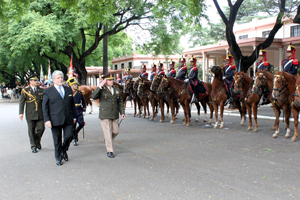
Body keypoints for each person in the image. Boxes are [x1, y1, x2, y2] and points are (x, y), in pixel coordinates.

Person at [42, 70, 77, 166]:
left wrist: (74, 116)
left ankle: (63, 150)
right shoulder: (47, 91)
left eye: (61, 77)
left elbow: (72, 104)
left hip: (68, 118)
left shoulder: (68, 89)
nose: (60, 79)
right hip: (55, 119)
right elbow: (44, 107)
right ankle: (58, 157)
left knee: (69, 136)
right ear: (53, 80)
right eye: (58, 78)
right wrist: (47, 120)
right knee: (57, 140)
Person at [91, 73, 125, 158]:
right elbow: (93, 96)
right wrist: (99, 86)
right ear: (105, 81)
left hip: (114, 114)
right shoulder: (101, 89)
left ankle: (107, 141)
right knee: (108, 133)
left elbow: (120, 102)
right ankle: (110, 150)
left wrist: (122, 112)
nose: (111, 81)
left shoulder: (116, 89)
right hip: (105, 114)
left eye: (112, 80)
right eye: (109, 80)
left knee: (116, 131)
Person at [19, 74, 45, 153]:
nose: (36, 82)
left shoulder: (41, 90)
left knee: (41, 128)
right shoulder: (25, 90)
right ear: (30, 82)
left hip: (40, 113)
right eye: (34, 80)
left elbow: (44, 102)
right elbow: (22, 102)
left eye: (37, 80)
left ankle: (37, 141)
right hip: (30, 114)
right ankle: (33, 146)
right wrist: (21, 113)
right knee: (31, 130)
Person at [67, 77, 86, 146]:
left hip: (79, 110)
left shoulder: (79, 93)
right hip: (72, 111)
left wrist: (84, 109)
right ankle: (75, 138)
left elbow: (83, 102)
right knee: (73, 126)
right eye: (74, 84)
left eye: (76, 85)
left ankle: (75, 133)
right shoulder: (68, 93)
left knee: (81, 124)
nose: (76, 86)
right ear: (71, 85)